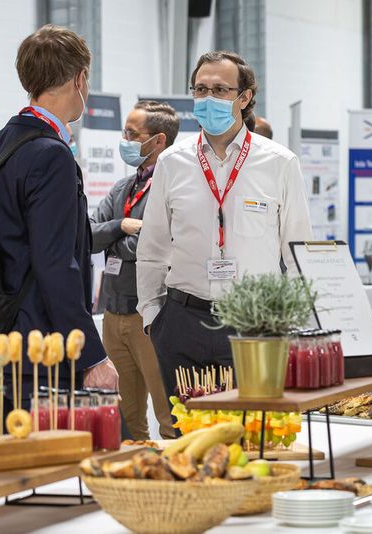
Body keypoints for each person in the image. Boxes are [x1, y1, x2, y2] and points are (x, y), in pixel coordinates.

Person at [137, 51, 313, 400]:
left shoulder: (279, 163)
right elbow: (153, 248)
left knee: (254, 434)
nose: (207, 98)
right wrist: (153, 317)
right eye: (200, 90)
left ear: (244, 97)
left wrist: (291, 325)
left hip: (255, 326)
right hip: (183, 320)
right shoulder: (172, 162)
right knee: (186, 435)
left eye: (220, 90)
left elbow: (297, 253)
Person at [0, 24, 118, 403]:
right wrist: (92, 355)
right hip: (44, 348)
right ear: (80, 79)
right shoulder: (51, 155)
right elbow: (55, 264)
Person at [90, 101, 180, 440]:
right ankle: (135, 486)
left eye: (132, 133)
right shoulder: (121, 188)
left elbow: (160, 247)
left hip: (152, 317)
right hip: (113, 315)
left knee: (169, 415)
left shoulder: (173, 187)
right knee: (125, 421)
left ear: (158, 140)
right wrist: (120, 227)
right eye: (124, 131)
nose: (124, 139)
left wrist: (114, 239)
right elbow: (86, 235)